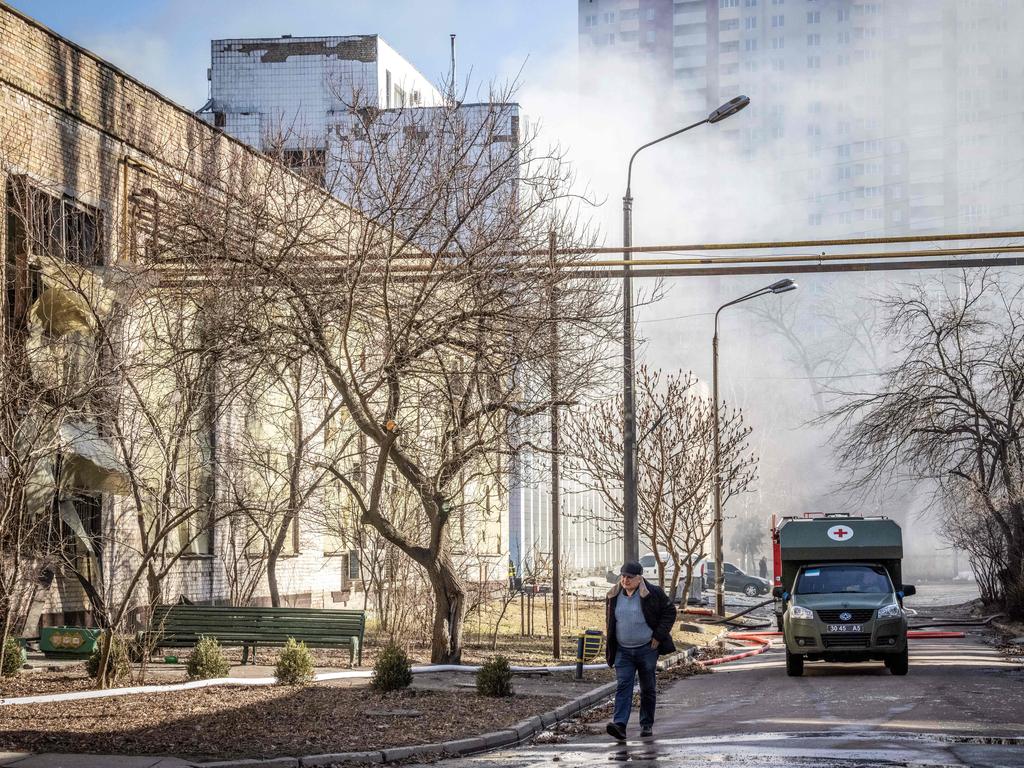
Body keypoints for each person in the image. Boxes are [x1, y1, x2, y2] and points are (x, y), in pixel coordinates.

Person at [604, 561, 677, 741]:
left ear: (639, 578)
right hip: (623, 650)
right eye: (623, 576)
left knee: (647, 688)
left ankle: (646, 724)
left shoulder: (653, 593)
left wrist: (658, 636)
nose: (625, 580)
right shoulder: (614, 594)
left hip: (647, 649)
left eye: (629, 577)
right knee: (623, 685)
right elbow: (612, 621)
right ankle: (619, 725)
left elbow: (670, 612)